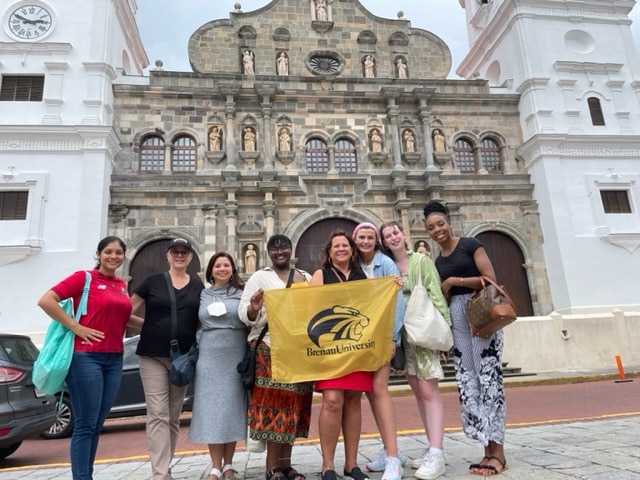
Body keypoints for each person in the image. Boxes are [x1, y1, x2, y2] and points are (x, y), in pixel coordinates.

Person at [37, 236, 136, 480]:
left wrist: (159, 326)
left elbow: (123, 318)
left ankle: (85, 475)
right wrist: (76, 327)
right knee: (85, 424)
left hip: (114, 359)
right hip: (86, 358)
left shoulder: (121, 285)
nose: (113, 256)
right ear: (98, 254)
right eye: (108, 252)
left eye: (118, 252)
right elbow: (46, 300)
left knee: (97, 424)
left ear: (124, 256)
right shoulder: (84, 278)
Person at [423, 200, 508, 476]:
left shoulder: (470, 244)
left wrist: (454, 281)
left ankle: (499, 453)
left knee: (489, 379)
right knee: (469, 381)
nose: (437, 230)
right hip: (458, 321)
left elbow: (489, 278)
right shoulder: (437, 260)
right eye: (431, 228)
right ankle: (486, 451)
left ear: (448, 221)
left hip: (479, 314)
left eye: (440, 224)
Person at [238, 234, 314, 480]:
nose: (280, 251)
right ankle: (272, 467)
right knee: (275, 406)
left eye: (284, 247)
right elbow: (244, 314)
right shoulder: (260, 277)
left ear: (291, 250)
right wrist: (254, 307)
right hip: (270, 349)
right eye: (275, 248)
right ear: (268, 252)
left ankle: (287, 464)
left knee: (294, 406)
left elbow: (316, 308)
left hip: (299, 350)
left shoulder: (306, 277)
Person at [379, 221, 451, 479]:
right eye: (388, 236)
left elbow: (437, 295)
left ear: (404, 234)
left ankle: (437, 452)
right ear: (384, 242)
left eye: (396, 232)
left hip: (423, 335)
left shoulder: (421, 261)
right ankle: (431, 446)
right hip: (403, 338)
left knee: (430, 392)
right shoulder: (386, 267)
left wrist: (446, 335)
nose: (394, 237)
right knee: (419, 393)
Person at [130, 238, 204, 480]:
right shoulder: (152, 282)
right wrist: (147, 326)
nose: (180, 256)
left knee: (173, 416)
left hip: (182, 359)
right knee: (158, 414)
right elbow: (127, 312)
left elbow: (202, 320)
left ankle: (165, 465)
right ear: (168, 256)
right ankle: (159, 474)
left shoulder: (197, 286)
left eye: (184, 252)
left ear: (191, 257)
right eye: (175, 252)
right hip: (152, 355)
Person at [309, 230, 371, 480]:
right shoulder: (321, 275)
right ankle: (327, 465)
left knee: (354, 401)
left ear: (352, 249)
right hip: (330, 349)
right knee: (333, 401)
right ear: (329, 251)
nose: (341, 249)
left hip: (356, 348)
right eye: (336, 246)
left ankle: (351, 464)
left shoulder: (362, 276)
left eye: (346, 245)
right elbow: (309, 308)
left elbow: (372, 305)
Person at [352, 223, 406, 480]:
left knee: (380, 390)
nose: (365, 241)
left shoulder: (385, 264)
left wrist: (392, 335)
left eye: (370, 237)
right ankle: (388, 450)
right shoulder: (353, 266)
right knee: (371, 393)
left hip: (382, 334)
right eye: (361, 237)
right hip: (361, 338)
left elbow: (397, 300)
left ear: (376, 241)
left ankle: (394, 459)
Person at [189, 252, 247, 480]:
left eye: (226, 265)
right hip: (209, 355)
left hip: (235, 354)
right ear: (210, 270)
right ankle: (215, 465)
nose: (222, 269)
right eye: (217, 265)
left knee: (231, 407)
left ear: (233, 269)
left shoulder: (241, 294)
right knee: (211, 408)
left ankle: (229, 464)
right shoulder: (202, 294)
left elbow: (249, 318)